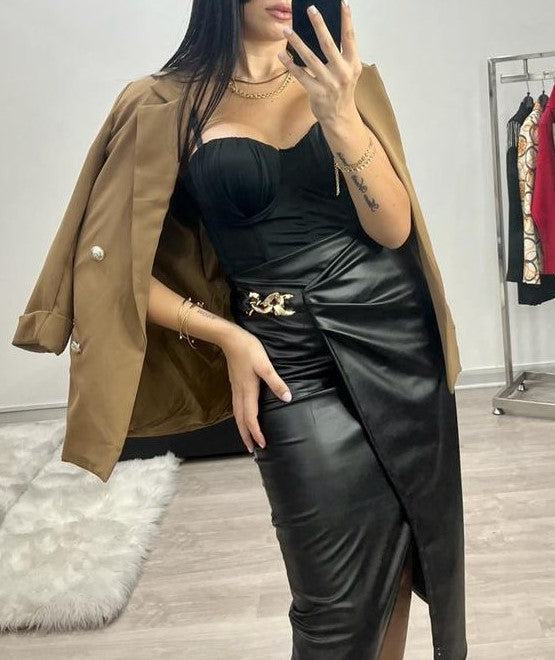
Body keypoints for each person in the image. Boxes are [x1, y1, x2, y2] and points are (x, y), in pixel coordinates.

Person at [144, 1, 467, 659]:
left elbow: (392, 229)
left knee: (401, 566)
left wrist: (339, 114)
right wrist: (228, 335)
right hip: (285, 360)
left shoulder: (342, 81)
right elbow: (112, 270)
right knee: (332, 610)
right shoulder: (165, 103)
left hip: (399, 343)